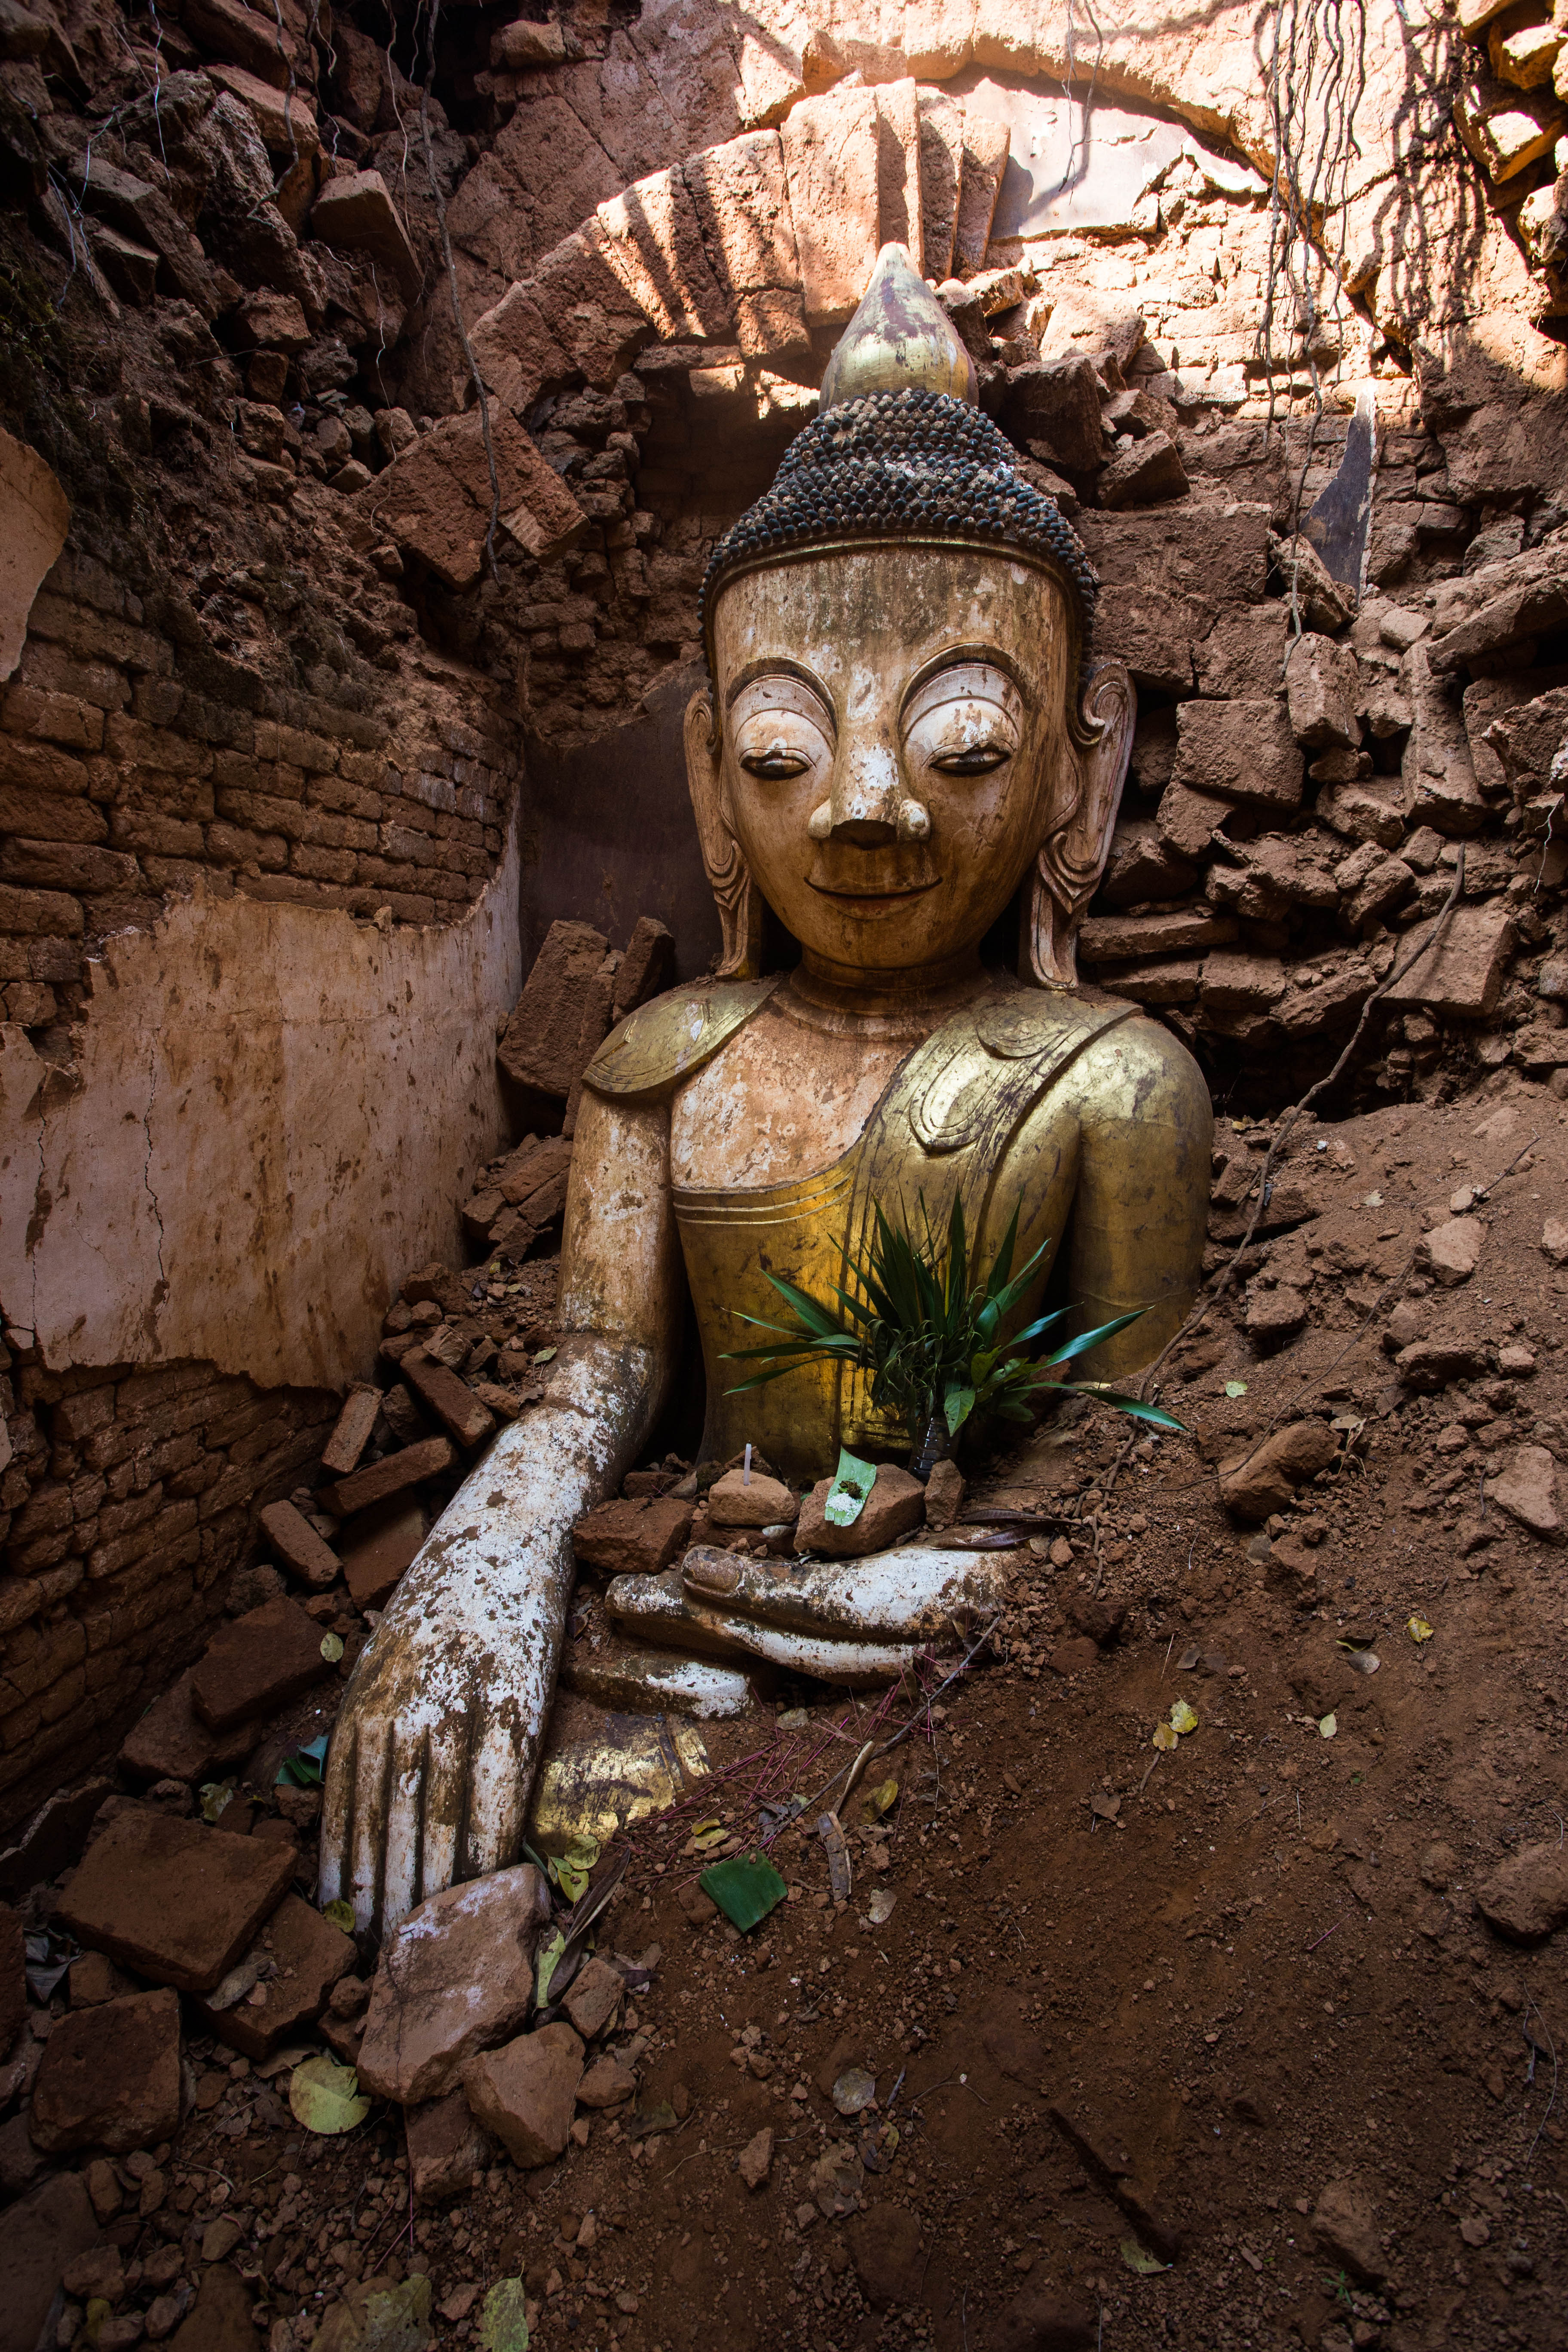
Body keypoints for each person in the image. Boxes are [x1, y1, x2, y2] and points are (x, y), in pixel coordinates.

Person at [321, 246, 1211, 1934]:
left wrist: (943, 1574)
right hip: (695, 1612)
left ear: (1076, 783)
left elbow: (1119, 1459)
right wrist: (476, 1580)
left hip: (933, 1624)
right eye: (786, 753)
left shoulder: (1113, 1084)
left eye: (959, 743)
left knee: (960, 1809)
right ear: (713, 788)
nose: (865, 810)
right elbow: (599, 1383)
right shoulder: (657, 1069)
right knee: (585, 1793)